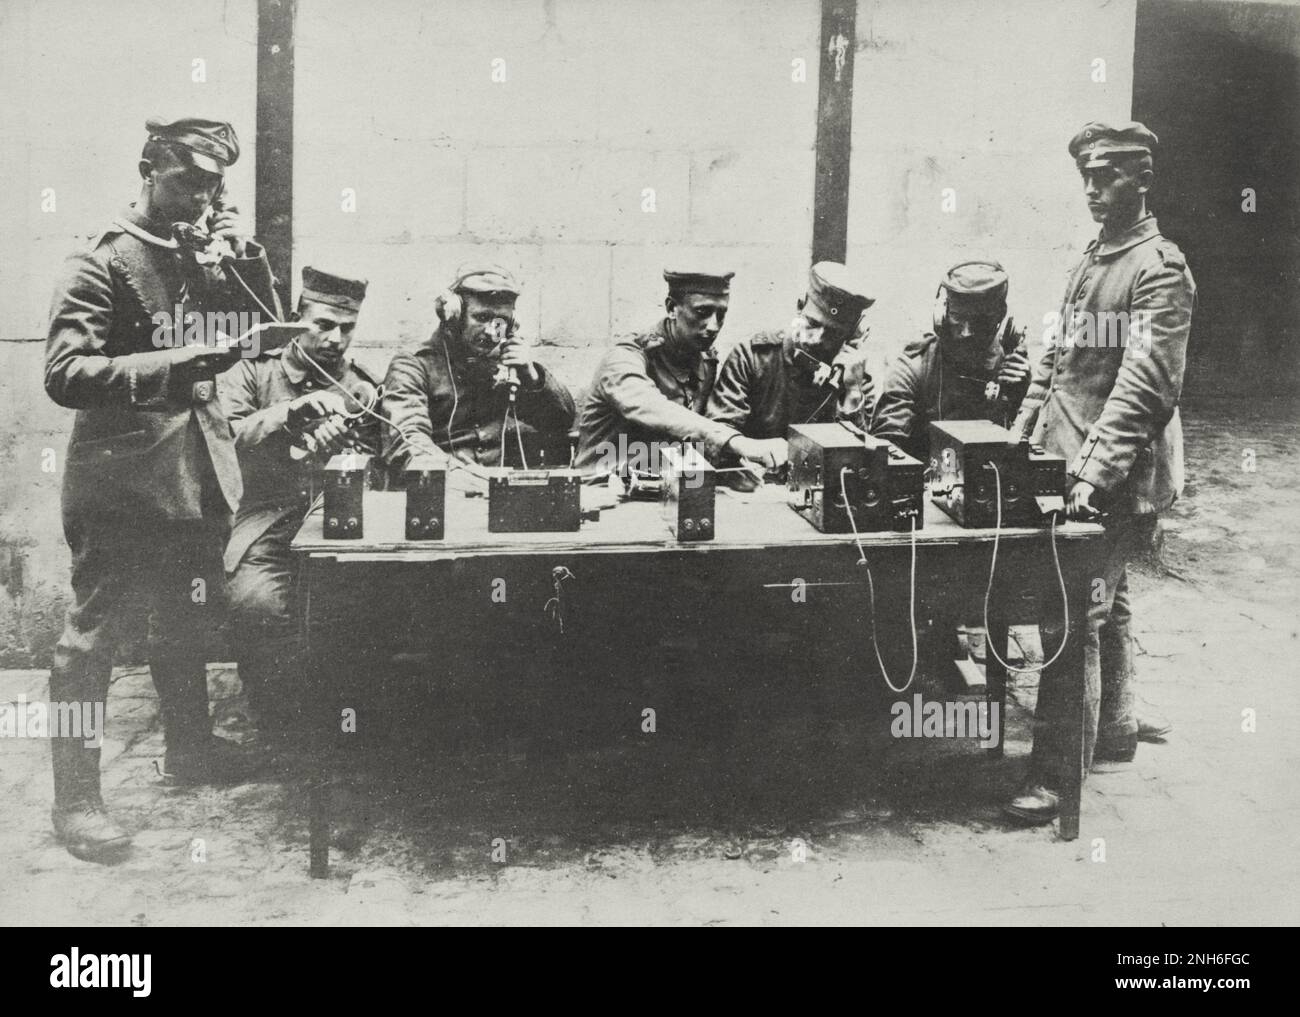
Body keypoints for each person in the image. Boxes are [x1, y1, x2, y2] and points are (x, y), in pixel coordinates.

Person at [43, 116, 282, 861]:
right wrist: (174, 365)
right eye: (191, 182)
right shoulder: (100, 260)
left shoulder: (202, 254)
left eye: (216, 185)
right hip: (120, 483)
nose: (204, 199)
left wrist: (245, 259)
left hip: (197, 473)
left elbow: (262, 328)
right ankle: (75, 800)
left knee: (186, 614)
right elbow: (64, 374)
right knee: (94, 641)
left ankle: (189, 751)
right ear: (150, 168)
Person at [1005, 121, 1192, 824]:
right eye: (1086, 173)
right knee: (1106, 599)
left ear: (1141, 179)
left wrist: (1091, 475)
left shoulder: (1159, 269)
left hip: (1114, 470)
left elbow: (1145, 386)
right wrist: (1019, 434)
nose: (1091, 187)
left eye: (1107, 174)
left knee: (1071, 610)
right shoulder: (1092, 259)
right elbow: (1055, 362)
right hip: (1070, 453)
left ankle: (1055, 777)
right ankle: (1114, 725)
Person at [220, 266, 382, 737]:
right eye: (323, 325)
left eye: (346, 328)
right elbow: (224, 436)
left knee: (355, 612)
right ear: (297, 318)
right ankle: (276, 719)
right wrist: (288, 415)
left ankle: (337, 717)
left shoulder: (361, 389)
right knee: (258, 606)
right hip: (265, 518)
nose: (335, 338)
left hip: (337, 518)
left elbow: (378, 467)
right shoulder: (254, 368)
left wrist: (345, 453)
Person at [575, 268, 786, 479]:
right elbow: (654, 408)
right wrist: (739, 442)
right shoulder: (625, 358)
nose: (714, 326)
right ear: (672, 308)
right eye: (702, 313)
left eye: (721, 315)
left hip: (659, 493)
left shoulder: (704, 362)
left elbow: (685, 444)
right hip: (599, 494)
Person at [380, 265, 575, 473]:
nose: (492, 331)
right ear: (454, 316)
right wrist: (468, 477)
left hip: (496, 490)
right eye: (481, 318)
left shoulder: (506, 365)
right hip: (441, 491)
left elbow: (561, 421)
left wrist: (532, 377)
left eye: (501, 322)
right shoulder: (413, 366)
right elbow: (409, 443)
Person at [706, 262, 876, 489]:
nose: (818, 339)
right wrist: (745, 454)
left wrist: (852, 394)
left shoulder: (854, 377)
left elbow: (864, 469)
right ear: (799, 306)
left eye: (834, 333)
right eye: (812, 325)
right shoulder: (753, 356)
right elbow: (717, 434)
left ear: (853, 334)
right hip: (752, 493)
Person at [870, 259, 1030, 464]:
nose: (966, 332)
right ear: (941, 314)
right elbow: (887, 446)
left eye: (980, 322)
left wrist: (1024, 401)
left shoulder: (1011, 369)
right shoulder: (914, 367)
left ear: (1000, 316)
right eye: (957, 317)